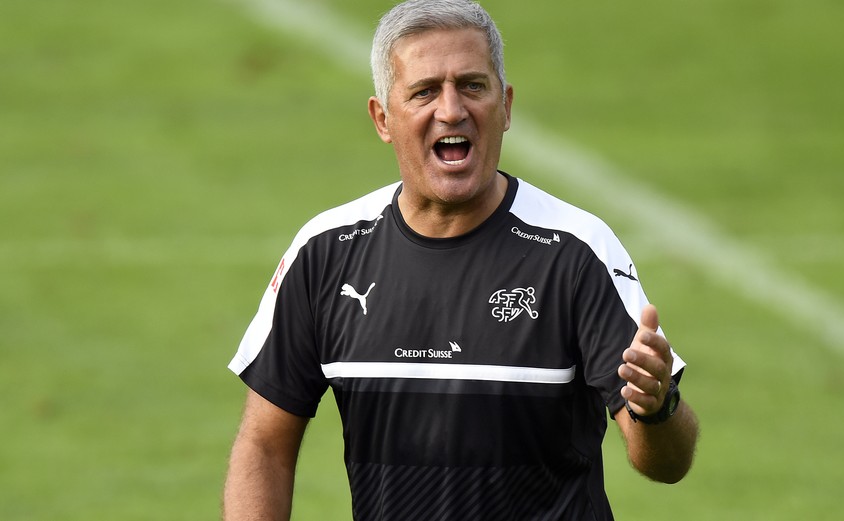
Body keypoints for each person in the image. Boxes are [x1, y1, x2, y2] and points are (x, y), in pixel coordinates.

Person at [223, 0, 699, 519]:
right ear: (383, 118)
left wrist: (657, 409)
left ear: (507, 106)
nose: (451, 110)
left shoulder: (577, 252)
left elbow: (666, 463)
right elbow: (265, 446)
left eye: (472, 86)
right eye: (425, 91)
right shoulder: (326, 253)